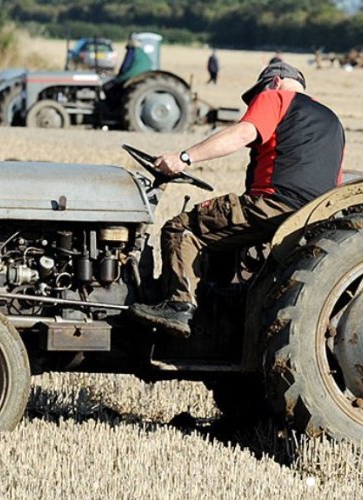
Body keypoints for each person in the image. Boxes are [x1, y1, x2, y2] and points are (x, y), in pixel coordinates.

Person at [128, 62, 346, 336]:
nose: (255, 101)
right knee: (220, 244)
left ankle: (179, 306)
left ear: (275, 81)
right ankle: (212, 311)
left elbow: (242, 133)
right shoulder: (332, 121)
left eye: (257, 94)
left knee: (180, 229)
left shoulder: (276, 98)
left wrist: (184, 158)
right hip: (309, 216)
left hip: (272, 204)